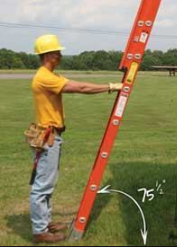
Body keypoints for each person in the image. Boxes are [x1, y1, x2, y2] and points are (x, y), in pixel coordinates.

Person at [29, 34, 122, 243]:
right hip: (48, 137)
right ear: (48, 55)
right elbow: (80, 88)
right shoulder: (45, 77)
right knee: (42, 185)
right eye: (57, 52)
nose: (60, 55)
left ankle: (45, 222)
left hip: (50, 136)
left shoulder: (48, 74)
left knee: (47, 183)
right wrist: (109, 86)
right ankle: (39, 231)